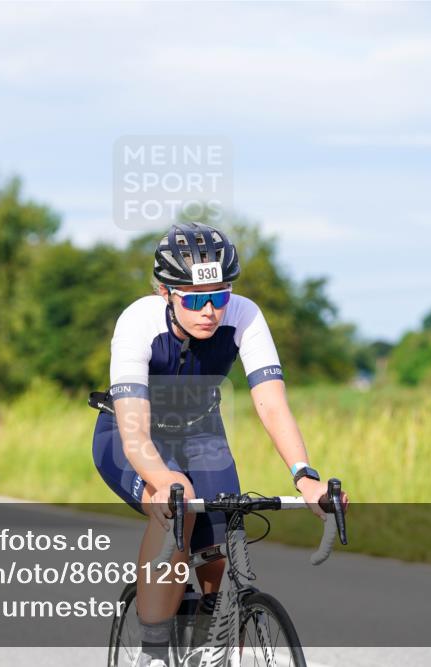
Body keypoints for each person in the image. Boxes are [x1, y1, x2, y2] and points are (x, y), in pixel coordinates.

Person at [91, 222, 348, 666]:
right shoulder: (138, 321)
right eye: (194, 299)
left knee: (222, 541)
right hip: (130, 434)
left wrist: (305, 475)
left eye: (220, 295)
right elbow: (134, 431)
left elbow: (271, 404)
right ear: (164, 292)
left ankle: (212, 645)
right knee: (177, 508)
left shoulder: (244, 314)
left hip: (201, 432)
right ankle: (152, 653)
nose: (210, 310)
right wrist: (162, 477)